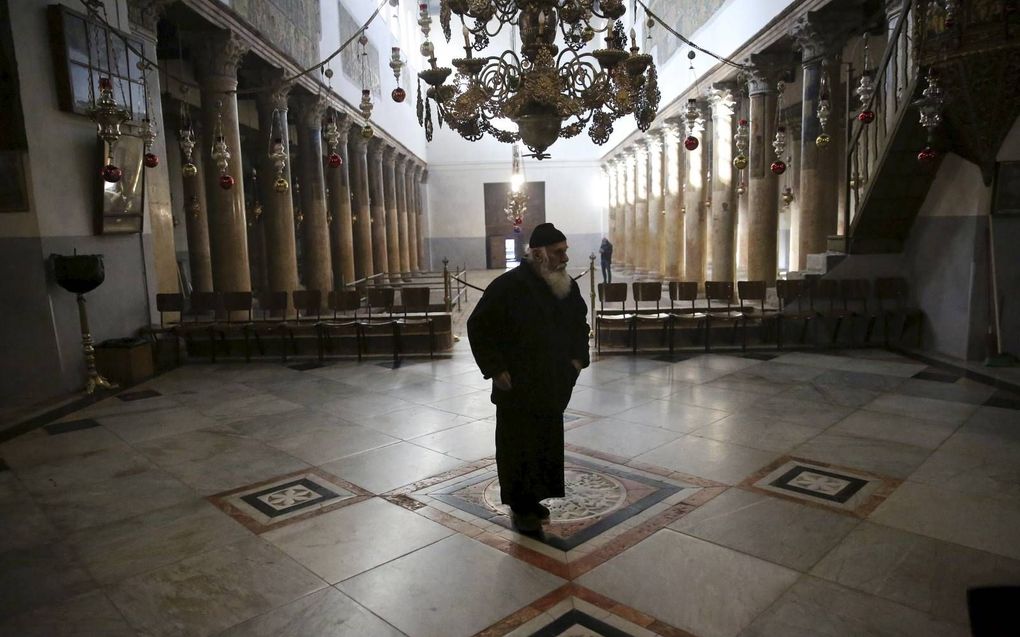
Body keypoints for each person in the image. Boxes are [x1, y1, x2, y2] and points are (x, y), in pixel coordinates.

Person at [467, 223, 590, 533]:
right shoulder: (507, 286)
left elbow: (579, 323)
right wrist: (495, 368)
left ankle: (534, 498)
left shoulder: (565, 285)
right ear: (538, 254)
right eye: (558, 252)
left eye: (565, 251)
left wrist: (576, 360)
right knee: (517, 446)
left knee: (545, 443)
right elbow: (478, 326)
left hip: (552, 384)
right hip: (518, 386)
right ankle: (521, 506)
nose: (564, 258)